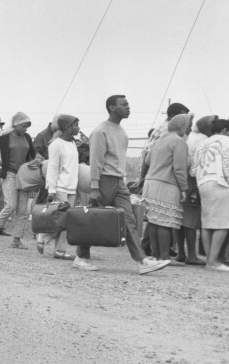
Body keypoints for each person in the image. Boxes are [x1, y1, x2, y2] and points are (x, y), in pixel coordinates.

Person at [75, 95, 170, 275]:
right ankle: (81, 256)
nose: (128, 107)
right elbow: (95, 161)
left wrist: (123, 181)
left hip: (119, 182)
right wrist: (94, 187)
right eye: (123, 104)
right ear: (112, 107)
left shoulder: (122, 132)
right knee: (94, 219)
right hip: (103, 180)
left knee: (129, 220)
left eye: (128, 104)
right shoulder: (100, 131)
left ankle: (142, 261)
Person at [141, 114, 191, 262]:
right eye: (187, 125)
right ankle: (164, 257)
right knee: (165, 223)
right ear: (182, 126)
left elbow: (148, 160)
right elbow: (179, 168)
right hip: (167, 184)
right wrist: (184, 188)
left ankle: (156, 255)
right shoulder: (178, 141)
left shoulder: (159, 140)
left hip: (151, 183)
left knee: (154, 221)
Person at [0, 112, 39, 249]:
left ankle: (16, 240)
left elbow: (33, 153)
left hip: (24, 176)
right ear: (15, 125)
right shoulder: (4, 137)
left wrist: (38, 158)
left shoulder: (26, 137)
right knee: (11, 205)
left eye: (27, 126)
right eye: (23, 126)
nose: (26, 129)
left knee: (22, 210)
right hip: (9, 174)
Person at [193, 117, 229, 272]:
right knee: (223, 223)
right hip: (221, 183)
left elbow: (193, 169)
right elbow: (227, 165)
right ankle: (213, 262)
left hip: (203, 183)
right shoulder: (226, 141)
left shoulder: (202, 143)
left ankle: (210, 259)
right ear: (225, 130)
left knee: (207, 223)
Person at [43, 115, 81, 260]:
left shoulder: (72, 143)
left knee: (66, 221)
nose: (79, 128)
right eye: (76, 125)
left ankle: (46, 240)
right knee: (63, 220)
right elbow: (52, 168)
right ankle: (57, 248)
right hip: (60, 188)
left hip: (71, 187)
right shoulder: (56, 145)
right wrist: (51, 190)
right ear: (68, 128)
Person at [181, 115, 216, 266]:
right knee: (191, 219)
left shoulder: (192, 138)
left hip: (185, 180)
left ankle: (182, 254)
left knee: (182, 219)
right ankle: (192, 255)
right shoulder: (203, 141)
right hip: (194, 182)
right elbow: (197, 167)